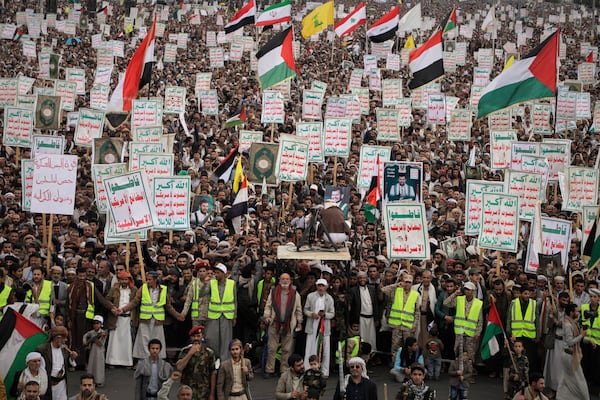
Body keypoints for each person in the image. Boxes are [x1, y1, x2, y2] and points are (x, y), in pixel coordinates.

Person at [119, 271, 180, 360]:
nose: (147, 281)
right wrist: (123, 309)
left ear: (155, 280)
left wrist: (177, 315)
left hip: (157, 320)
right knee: (144, 339)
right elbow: (135, 302)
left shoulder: (163, 289)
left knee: (157, 339)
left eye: (150, 279)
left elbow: (168, 306)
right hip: (145, 319)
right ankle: (145, 359)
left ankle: (157, 358)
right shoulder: (143, 288)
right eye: (147, 279)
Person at [262, 272, 303, 377]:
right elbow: (268, 306)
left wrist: (299, 322)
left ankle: (284, 371)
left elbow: (298, 309)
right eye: (283, 279)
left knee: (287, 350)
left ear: (290, 281)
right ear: (279, 281)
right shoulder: (273, 292)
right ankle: (269, 370)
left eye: (287, 279)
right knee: (272, 348)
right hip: (274, 323)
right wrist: (267, 316)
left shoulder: (295, 294)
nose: (285, 281)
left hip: (289, 325)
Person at [443, 281, 483, 382]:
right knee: (457, 351)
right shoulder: (459, 299)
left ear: (473, 291)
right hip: (459, 331)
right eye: (466, 289)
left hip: (470, 332)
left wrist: (478, 333)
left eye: (469, 289)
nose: (467, 291)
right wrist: (455, 294)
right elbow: (446, 303)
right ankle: (457, 373)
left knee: (470, 355)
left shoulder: (478, 303)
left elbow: (480, 320)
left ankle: (469, 375)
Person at [555, 303, 590, 400]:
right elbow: (570, 342)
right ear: (571, 312)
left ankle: (563, 396)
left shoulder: (572, 322)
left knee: (567, 378)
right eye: (577, 311)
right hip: (569, 356)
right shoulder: (567, 325)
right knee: (579, 378)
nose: (578, 313)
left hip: (570, 355)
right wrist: (582, 335)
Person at [202, 263, 237, 361]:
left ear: (224, 273)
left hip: (227, 315)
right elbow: (202, 293)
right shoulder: (211, 283)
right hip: (214, 315)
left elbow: (235, 301)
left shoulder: (231, 283)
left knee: (226, 340)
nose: (215, 275)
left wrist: (235, 316)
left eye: (218, 273)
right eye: (215, 273)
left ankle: (224, 361)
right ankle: (214, 358)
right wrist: (205, 284)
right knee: (211, 338)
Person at [303, 278, 335, 377]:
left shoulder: (329, 298)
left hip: (324, 328)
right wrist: (311, 314)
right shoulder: (311, 296)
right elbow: (305, 309)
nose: (321, 288)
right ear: (316, 286)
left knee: (325, 349)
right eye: (319, 285)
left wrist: (325, 315)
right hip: (312, 326)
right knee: (310, 347)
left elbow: (332, 313)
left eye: (323, 286)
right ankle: (308, 368)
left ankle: (324, 371)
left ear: (326, 287)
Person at [104, 271, 136, 368]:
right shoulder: (114, 289)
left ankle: (127, 362)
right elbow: (107, 300)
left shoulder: (133, 290)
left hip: (127, 318)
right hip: (116, 318)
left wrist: (123, 310)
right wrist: (113, 308)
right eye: (122, 279)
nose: (124, 281)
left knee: (127, 340)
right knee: (114, 340)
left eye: (126, 279)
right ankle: (112, 362)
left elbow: (135, 302)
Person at [176, 325, 217, 400]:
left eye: (198, 336)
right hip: (187, 393)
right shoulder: (184, 351)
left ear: (202, 337)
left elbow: (213, 373)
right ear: (190, 337)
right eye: (194, 336)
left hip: (204, 393)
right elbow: (179, 367)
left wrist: (212, 394)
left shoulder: (209, 353)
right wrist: (190, 353)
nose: (196, 338)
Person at [36, 326, 77, 400]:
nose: (66, 340)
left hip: (61, 384)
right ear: (58, 338)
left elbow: (68, 363)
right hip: (48, 384)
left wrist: (72, 358)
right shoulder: (42, 349)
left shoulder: (64, 349)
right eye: (64, 338)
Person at [346, 271, 379, 352]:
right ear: (358, 279)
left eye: (364, 278)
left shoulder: (372, 289)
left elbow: (375, 304)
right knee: (361, 338)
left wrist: (376, 318)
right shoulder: (353, 290)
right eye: (360, 278)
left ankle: (371, 355)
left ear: (367, 279)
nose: (362, 280)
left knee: (371, 338)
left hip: (371, 318)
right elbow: (350, 306)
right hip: (360, 318)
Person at [82, 316, 107, 387]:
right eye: (94, 323)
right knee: (91, 365)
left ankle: (99, 381)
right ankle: (91, 380)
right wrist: (85, 342)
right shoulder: (92, 332)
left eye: (97, 323)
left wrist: (97, 338)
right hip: (92, 351)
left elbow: (100, 343)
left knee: (99, 366)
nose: (95, 325)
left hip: (100, 351)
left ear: (101, 324)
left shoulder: (103, 332)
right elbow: (85, 335)